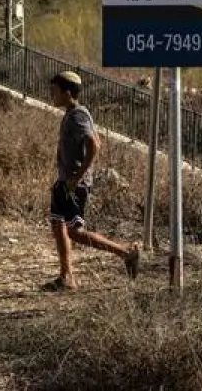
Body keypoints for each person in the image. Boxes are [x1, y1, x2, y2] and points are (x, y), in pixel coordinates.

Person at [44, 70, 141, 291]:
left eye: (55, 91)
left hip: (73, 184)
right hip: (65, 182)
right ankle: (66, 277)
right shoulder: (72, 113)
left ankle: (126, 252)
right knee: (59, 224)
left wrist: (76, 178)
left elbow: (95, 144)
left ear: (68, 93)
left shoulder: (78, 115)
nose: (52, 95)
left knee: (74, 232)